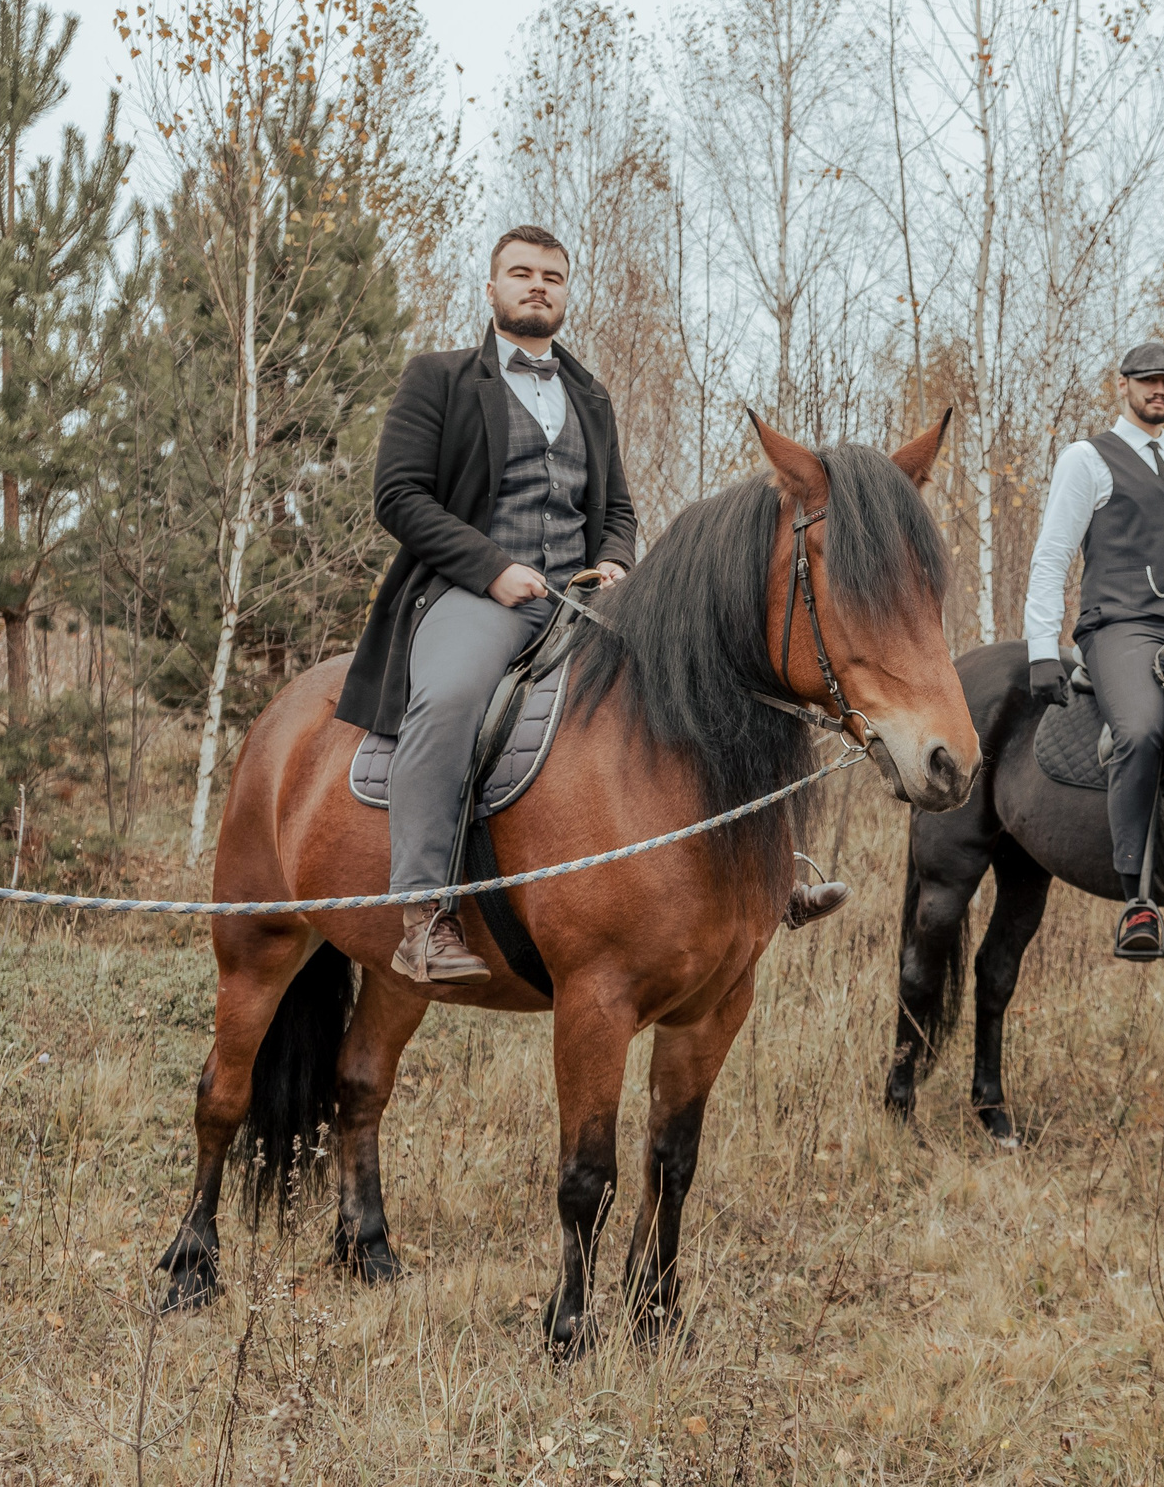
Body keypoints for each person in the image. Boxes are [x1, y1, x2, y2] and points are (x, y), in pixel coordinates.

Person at [337, 226, 844, 985]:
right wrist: (493, 568)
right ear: (491, 288)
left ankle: (770, 874)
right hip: (476, 595)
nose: (537, 285)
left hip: (582, 601)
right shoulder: (437, 378)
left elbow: (618, 510)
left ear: (567, 292)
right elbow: (399, 496)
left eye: (553, 276)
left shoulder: (589, 395)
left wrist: (614, 562)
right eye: (521, 273)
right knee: (445, 700)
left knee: (712, 681)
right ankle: (422, 914)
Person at [1023, 340, 1164, 963]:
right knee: (1142, 729)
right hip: (1119, 628)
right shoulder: (1088, 459)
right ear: (1122, 385)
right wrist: (1043, 647)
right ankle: (1136, 899)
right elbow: (1052, 553)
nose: (1160, 391)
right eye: (1148, 380)